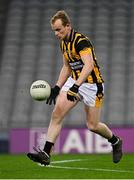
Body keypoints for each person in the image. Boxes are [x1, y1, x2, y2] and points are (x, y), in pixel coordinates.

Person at [27, 10, 122, 165]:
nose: (56, 34)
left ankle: (115, 141)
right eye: (54, 31)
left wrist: (76, 87)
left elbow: (89, 65)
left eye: (58, 29)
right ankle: (46, 153)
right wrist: (57, 87)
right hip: (75, 80)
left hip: (92, 86)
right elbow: (67, 66)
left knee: (93, 125)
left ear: (68, 26)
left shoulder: (81, 41)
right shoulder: (63, 42)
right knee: (57, 112)